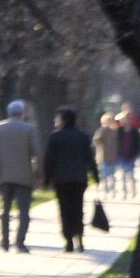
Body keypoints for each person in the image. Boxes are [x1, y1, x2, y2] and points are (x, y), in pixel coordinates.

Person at [43, 107, 100, 252]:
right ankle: (79, 238)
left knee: (64, 209)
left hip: (61, 180)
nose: (55, 121)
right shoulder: (83, 136)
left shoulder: (55, 137)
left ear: (64, 120)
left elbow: (49, 160)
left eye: (58, 118)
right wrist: (95, 175)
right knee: (78, 208)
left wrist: (46, 179)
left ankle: (68, 240)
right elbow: (89, 158)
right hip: (79, 178)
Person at [0, 99, 39, 252]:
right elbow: (37, 153)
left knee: (5, 209)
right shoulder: (30, 129)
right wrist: (39, 173)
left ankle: (4, 241)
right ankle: (20, 242)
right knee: (24, 210)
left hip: (3, 175)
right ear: (23, 113)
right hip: (24, 174)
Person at [93, 113, 123, 197]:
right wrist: (103, 131)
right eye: (107, 121)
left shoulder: (115, 131)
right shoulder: (101, 131)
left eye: (111, 121)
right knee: (105, 176)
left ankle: (112, 191)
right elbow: (96, 141)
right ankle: (106, 191)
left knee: (112, 176)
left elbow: (119, 143)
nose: (109, 123)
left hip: (113, 157)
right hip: (103, 157)